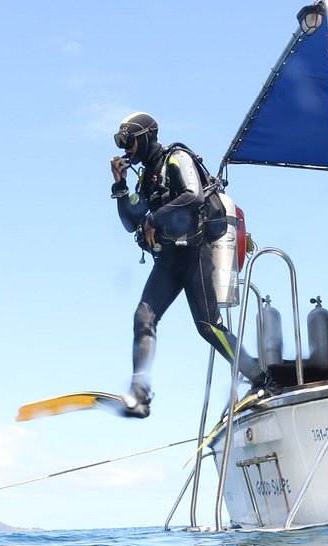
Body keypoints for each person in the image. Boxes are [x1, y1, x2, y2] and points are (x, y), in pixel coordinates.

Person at [109, 112, 277, 419]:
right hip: (167, 260)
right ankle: (140, 395)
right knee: (143, 318)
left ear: (146, 136)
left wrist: (152, 218)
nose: (126, 148)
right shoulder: (146, 177)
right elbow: (130, 221)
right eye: (123, 143)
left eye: (129, 140)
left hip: (194, 255)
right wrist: (120, 185)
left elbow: (193, 195)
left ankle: (260, 379)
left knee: (209, 327)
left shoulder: (177, 158)